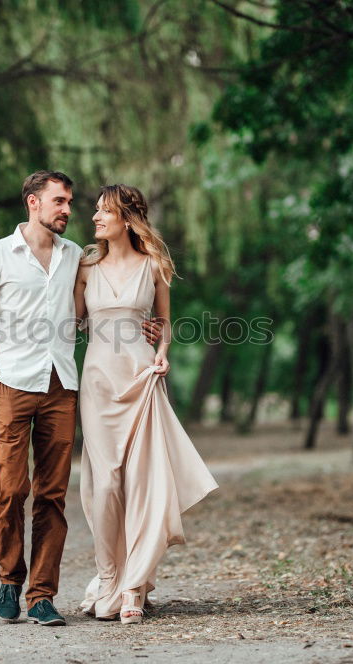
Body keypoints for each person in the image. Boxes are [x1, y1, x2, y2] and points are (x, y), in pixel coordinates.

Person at [0, 171, 161, 627]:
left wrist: (142, 327)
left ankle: (42, 595)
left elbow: (88, 319)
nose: (69, 209)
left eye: (70, 202)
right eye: (60, 201)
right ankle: (10, 579)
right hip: (10, 385)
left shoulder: (77, 258)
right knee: (10, 489)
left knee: (52, 495)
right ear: (33, 203)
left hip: (62, 387)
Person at [75, 184, 218, 624]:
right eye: (96, 211)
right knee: (107, 482)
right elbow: (68, 323)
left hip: (141, 376)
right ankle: (109, 579)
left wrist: (162, 352)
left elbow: (165, 325)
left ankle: (135, 587)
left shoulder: (154, 265)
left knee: (142, 480)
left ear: (126, 218)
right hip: (98, 383)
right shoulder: (85, 267)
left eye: (104, 212)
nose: (96, 218)